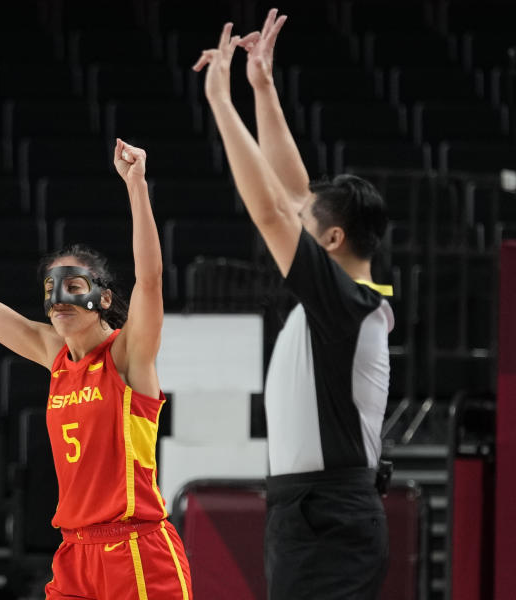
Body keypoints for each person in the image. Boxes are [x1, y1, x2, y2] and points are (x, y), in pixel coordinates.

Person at [0, 138, 193, 600]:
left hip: (135, 549)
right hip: (74, 553)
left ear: (103, 300)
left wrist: (136, 186)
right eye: (53, 288)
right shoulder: (51, 354)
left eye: (74, 286)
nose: (60, 299)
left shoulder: (127, 355)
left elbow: (149, 279)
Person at [193, 9, 393, 600]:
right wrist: (261, 86)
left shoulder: (346, 302)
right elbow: (292, 195)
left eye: (311, 223)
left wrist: (221, 104)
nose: (298, 218)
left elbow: (273, 210)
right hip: (312, 510)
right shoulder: (348, 294)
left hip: (328, 513)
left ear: (332, 239)